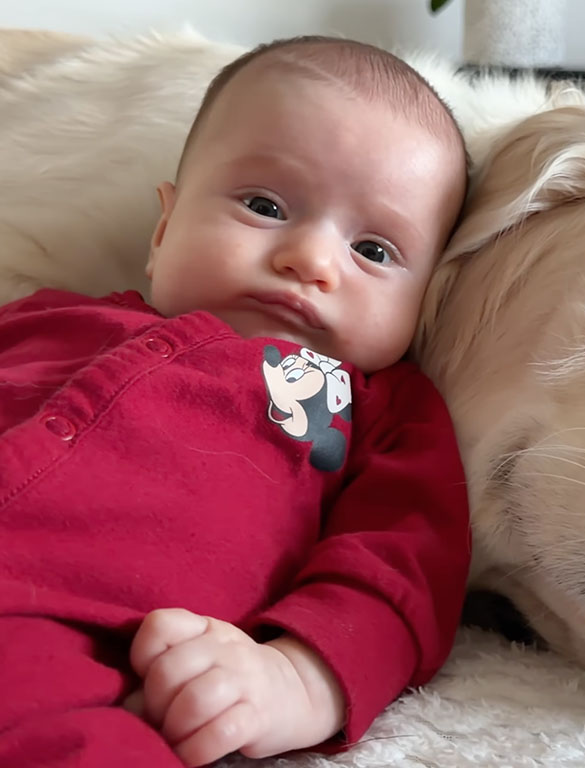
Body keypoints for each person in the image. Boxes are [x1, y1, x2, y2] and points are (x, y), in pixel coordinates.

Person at [0, 35, 471, 768]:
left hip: (66, 646)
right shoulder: (45, 317)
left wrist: (295, 676)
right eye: (265, 204)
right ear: (163, 229)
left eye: (373, 251)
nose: (311, 261)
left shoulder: (381, 411)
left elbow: (400, 576)